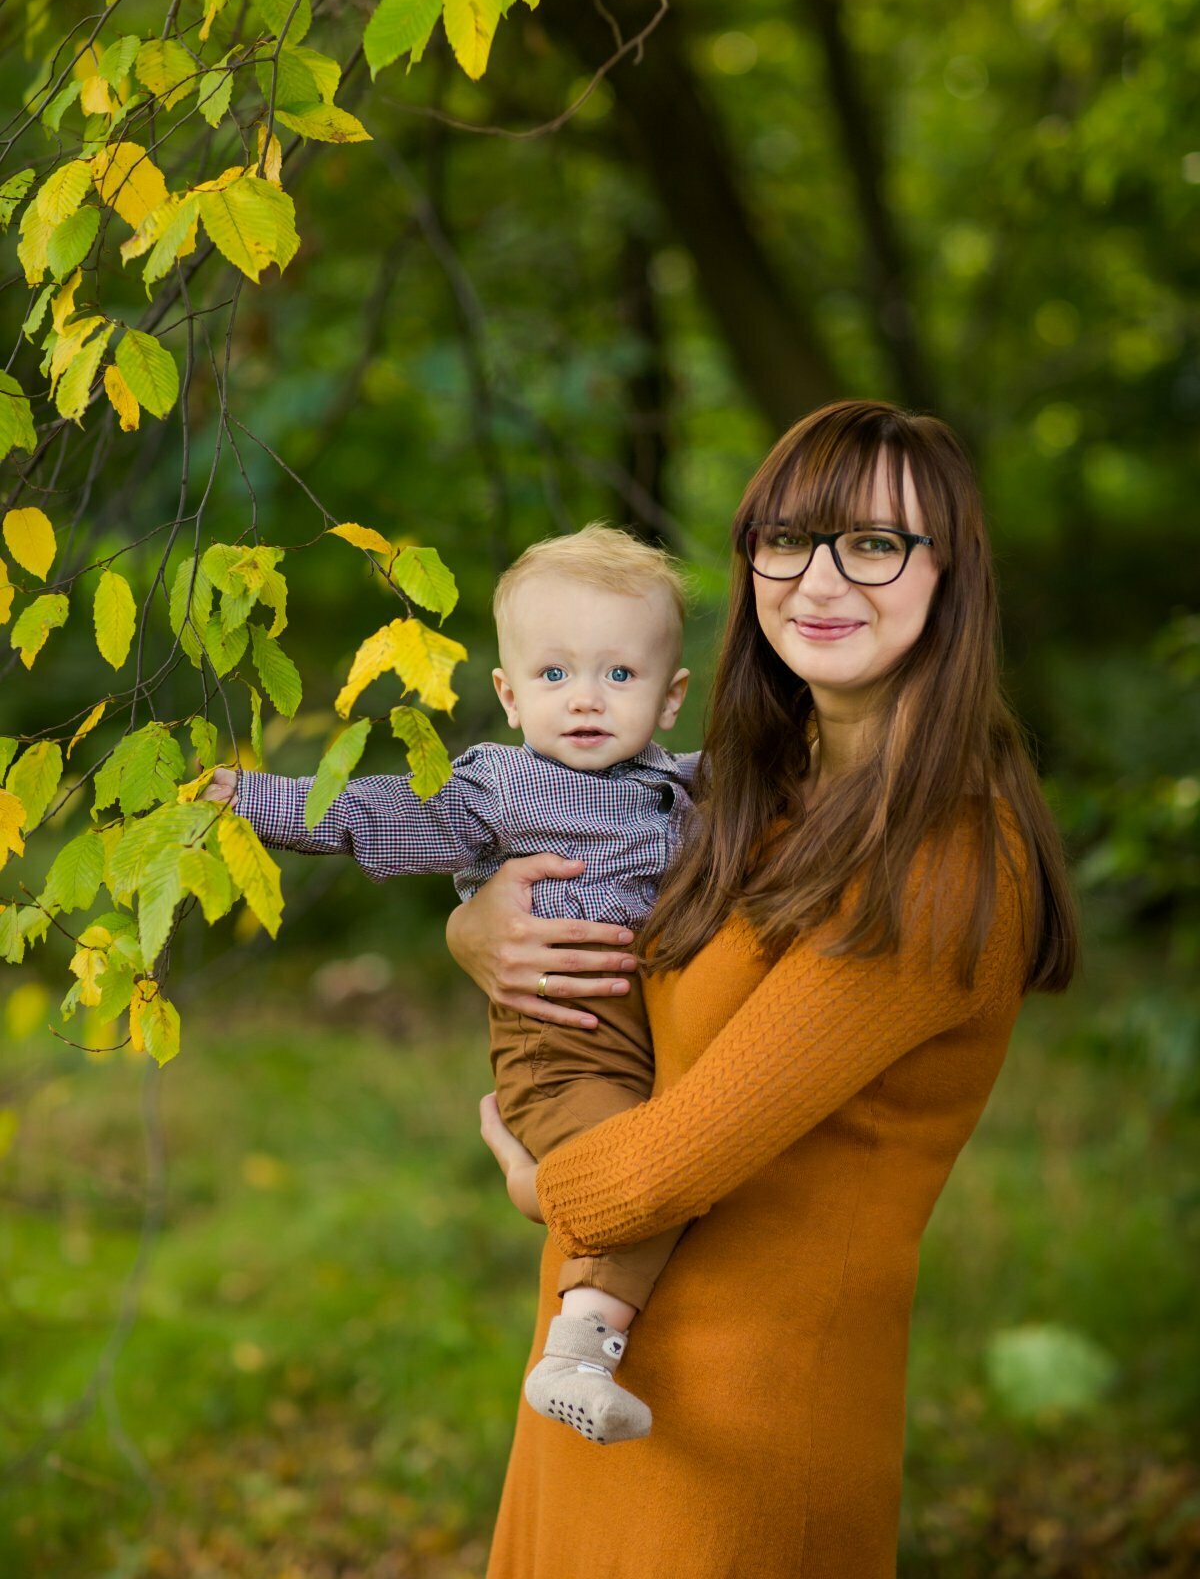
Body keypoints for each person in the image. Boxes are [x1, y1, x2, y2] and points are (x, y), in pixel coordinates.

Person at [452, 400, 1078, 1577]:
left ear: (953, 573)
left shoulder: (946, 852)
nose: (821, 579)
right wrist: (474, 928)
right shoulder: (754, 789)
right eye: (787, 538)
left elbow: (668, 1165)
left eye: (876, 544)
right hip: (598, 1372)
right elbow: (605, 961)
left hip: (747, 1421)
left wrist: (540, 1184)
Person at [203, 524, 703, 1443]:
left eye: (618, 676)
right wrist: (255, 800)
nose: (585, 700)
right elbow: (376, 810)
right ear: (509, 696)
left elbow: (781, 788)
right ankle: (577, 1353)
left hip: (652, 1036)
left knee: (664, 1163)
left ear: (671, 697)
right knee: (631, 1175)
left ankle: (583, 1318)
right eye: (554, 677)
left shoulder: (681, 787)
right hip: (559, 1036)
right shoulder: (497, 789)